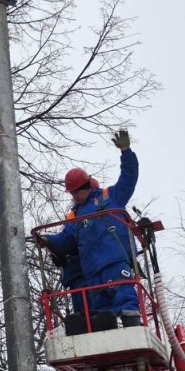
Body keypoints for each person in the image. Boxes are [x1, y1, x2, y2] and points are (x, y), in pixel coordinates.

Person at [45, 129, 141, 328]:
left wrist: (126, 151)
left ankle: (132, 327)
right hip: (92, 271)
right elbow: (66, 239)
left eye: (75, 191)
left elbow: (128, 178)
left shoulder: (110, 197)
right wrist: (46, 239)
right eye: (71, 193)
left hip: (114, 261)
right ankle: (109, 336)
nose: (73, 196)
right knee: (101, 312)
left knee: (124, 295)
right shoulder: (77, 215)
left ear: (86, 186)